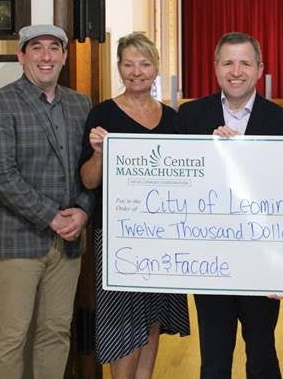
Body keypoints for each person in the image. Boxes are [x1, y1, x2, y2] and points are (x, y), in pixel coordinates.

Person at [175, 31, 283, 379]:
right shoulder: (189, 118)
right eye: (228, 62)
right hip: (209, 260)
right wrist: (207, 152)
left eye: (245, 63)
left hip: (262, 262)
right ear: (215, 68)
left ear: (260, 68)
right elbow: (176, 185)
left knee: (262, 354)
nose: (236, 71)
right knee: (213, 358)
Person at [0, 24, 93, 378]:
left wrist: (84, 212)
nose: (46, 56)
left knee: (56, 333)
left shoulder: (80, 103)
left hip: (69, 242)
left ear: (64, 56)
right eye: (37, 48)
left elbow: (89, 168)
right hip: (16, 240)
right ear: (21, 56)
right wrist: (51, 217)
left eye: (54, 48)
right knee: (9, 337)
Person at [79, 32, 190, 378]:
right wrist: (99, 153)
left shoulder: (173, 119)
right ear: (119, 68)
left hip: (161, 236)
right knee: (122, 320)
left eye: (144, 64)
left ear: (156, 68)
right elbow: (88, 181)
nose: (137, 71)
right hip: (118, 239)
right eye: (129, 64)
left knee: (152, 317)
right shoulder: (102, 115)